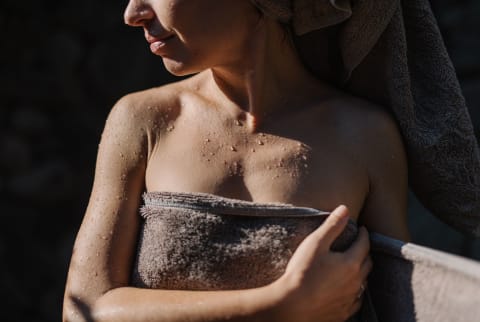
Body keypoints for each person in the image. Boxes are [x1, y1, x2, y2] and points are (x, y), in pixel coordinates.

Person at [63, 0, 410, 321]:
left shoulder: (365, 135)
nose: (133, 12)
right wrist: (279, 306)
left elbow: (405, 308)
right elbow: (83, 309)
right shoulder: (145, 121)